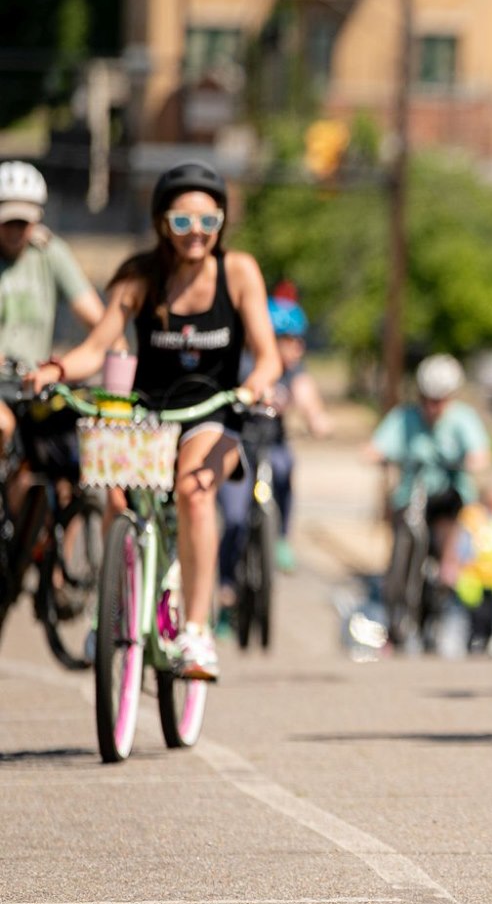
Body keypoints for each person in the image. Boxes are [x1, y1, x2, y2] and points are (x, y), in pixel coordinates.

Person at [30, 161, 281, 680]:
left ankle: (195, 630)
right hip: (149, 413)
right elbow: (96, 348)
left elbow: (269, 354)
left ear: (222, 224)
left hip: (214, 412)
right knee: (115, 491)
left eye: (208, 224)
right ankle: (115, 610)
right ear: (162, 223)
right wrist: (54, 370)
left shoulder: (238, 273)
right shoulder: (138, 277)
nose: (196, 236)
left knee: (193, 489)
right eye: (183, 223)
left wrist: (257, 384)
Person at [216, 295, 333, 630]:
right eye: (288, 339)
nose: (297, 347)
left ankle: (281, 536)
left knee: (284, 466)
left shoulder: (293, 371)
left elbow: (306, 394)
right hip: (238, 448)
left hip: (272, 446)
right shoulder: (241, 364)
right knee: (236, 518)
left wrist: (317, 418)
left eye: (299, 339)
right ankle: (226, 592)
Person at [0, 161, 105, 512]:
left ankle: (57, 561)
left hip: (35, 382)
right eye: (7, 220)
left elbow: (99, 321)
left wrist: (113, 348)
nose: (14, 230)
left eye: (22, 221)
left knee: (70, 464)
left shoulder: (50, 253)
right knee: (3, 428)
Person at [369, 354, 492, 616]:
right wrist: (378, 454)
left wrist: (468, 462)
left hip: (449, 492)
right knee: (400, 524)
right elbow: (377, 445)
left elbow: (480, 454)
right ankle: (396, 587)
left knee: (454, 521)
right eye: (426, 399)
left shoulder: (462, 418)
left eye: (438, 400)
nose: (431, 407)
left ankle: (450, 568)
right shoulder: (405, 417)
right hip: (411, 492)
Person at [452, 476, 492, 652]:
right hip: (475, 573)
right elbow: (464, 539)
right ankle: (475, 640)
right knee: (476, 612)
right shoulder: (473, 514)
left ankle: (487, 639)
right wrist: (460, 561)